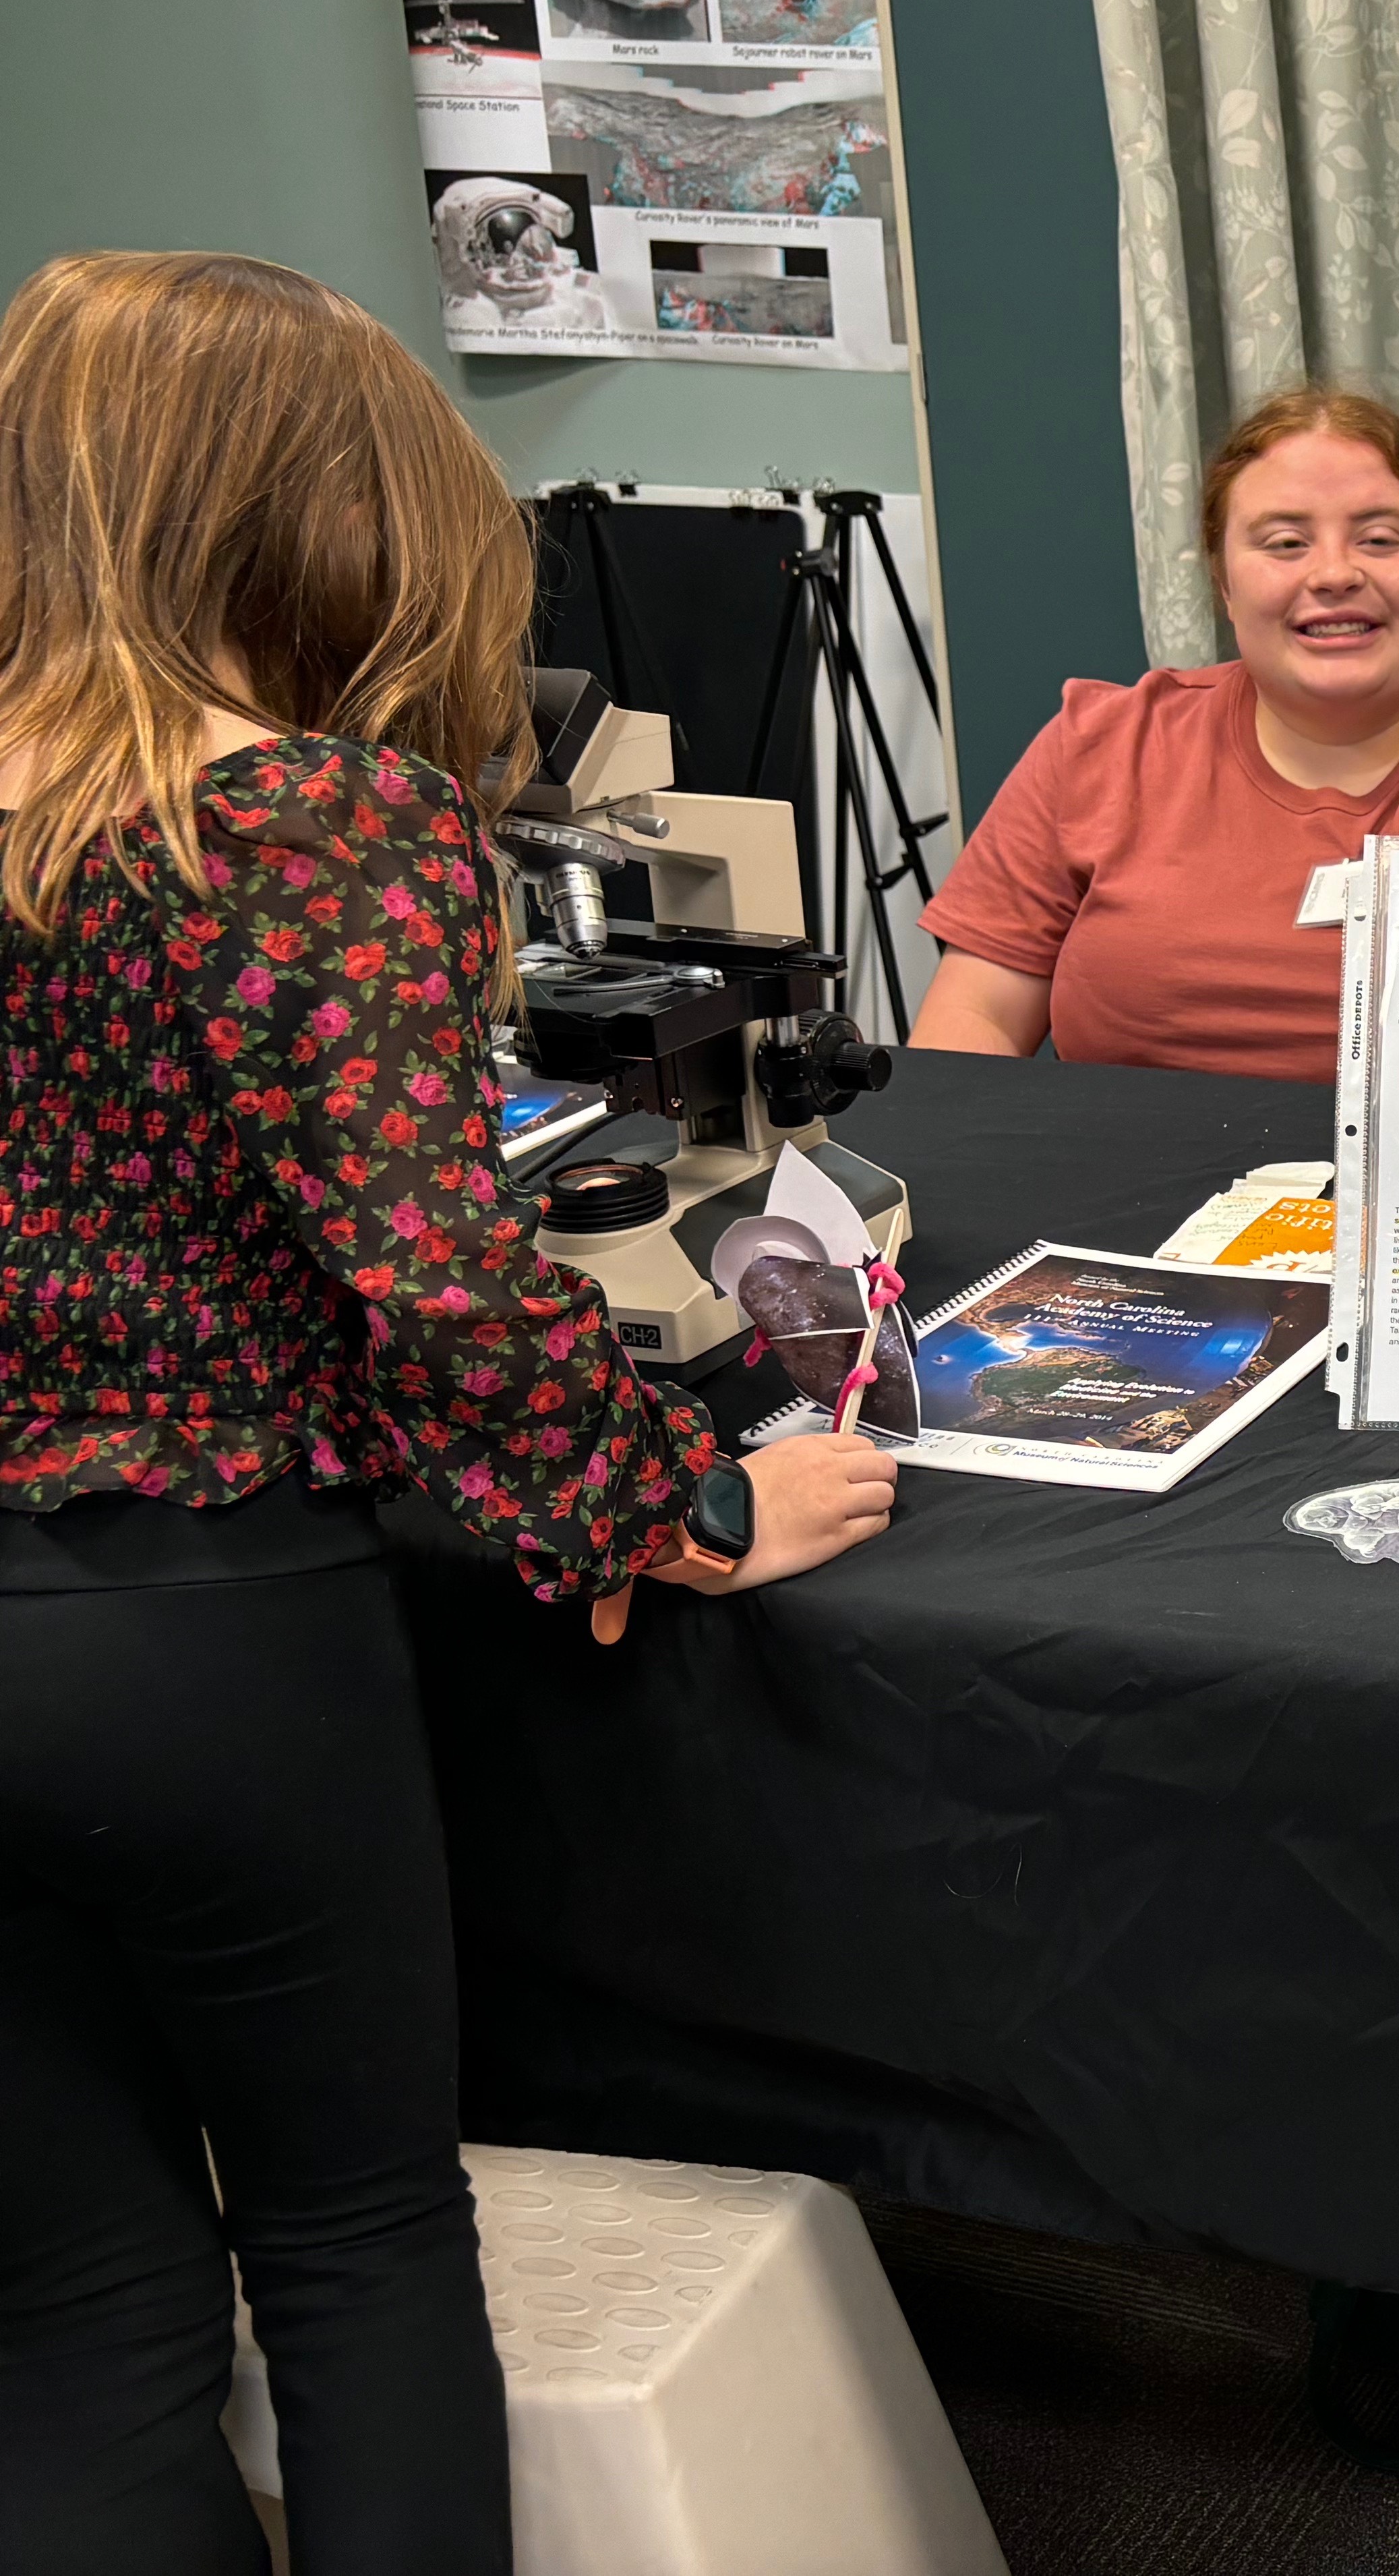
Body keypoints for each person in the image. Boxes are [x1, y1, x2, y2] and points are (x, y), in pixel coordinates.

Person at [0, 251, 898, 2572]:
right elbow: (434, 1277)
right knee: (355, 2241)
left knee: (80, 2314)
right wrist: (678, 1502)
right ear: (323, 518)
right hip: (206, 1631)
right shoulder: (299, 824)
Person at [914, 386, 1399, 1081]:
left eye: (1381, 539)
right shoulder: (1098, 749)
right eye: (1286, 543)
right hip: (1117, 1194)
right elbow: (975, 1019)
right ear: (1226, 585)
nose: (1334, 573)